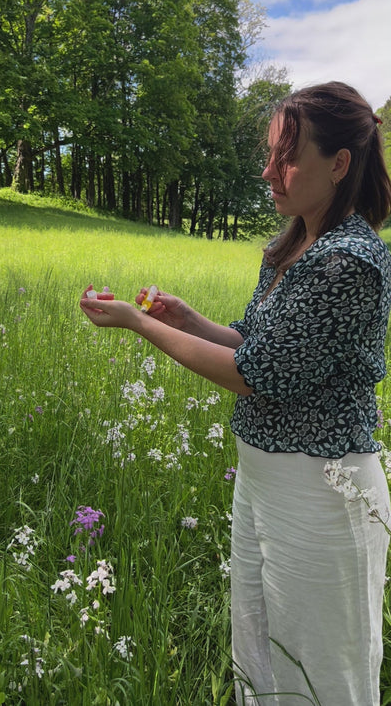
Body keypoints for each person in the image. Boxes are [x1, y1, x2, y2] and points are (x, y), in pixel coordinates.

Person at [80, 81, 391, 705]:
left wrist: (141, 327)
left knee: (321, 671)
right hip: (264, 481)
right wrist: (187, 320)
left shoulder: (347, 260)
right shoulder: (295, 244)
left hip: (320, 493)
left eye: (288, 156)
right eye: (271, 152)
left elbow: (259, 376)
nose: (270, 170)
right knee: (259, 656)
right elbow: (255, 343)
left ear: (339, 164)